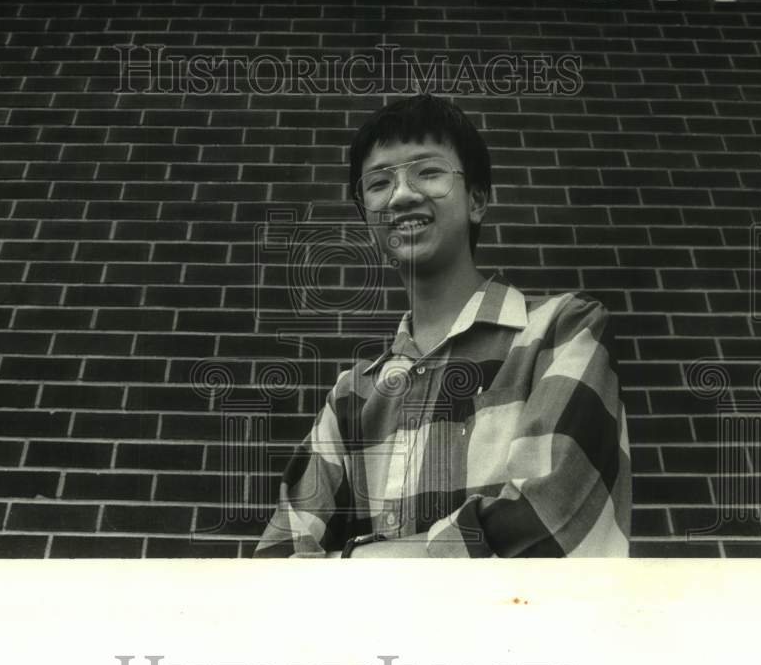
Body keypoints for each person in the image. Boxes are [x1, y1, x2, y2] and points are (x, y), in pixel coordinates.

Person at [253, 93, 632, 558]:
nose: (403, 194)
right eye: (378, 183)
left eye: (428, 172)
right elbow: (276, 562)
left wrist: (357, 560)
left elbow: (551, 523)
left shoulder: (562, 330)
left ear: (476, 200)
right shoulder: (351, 398)